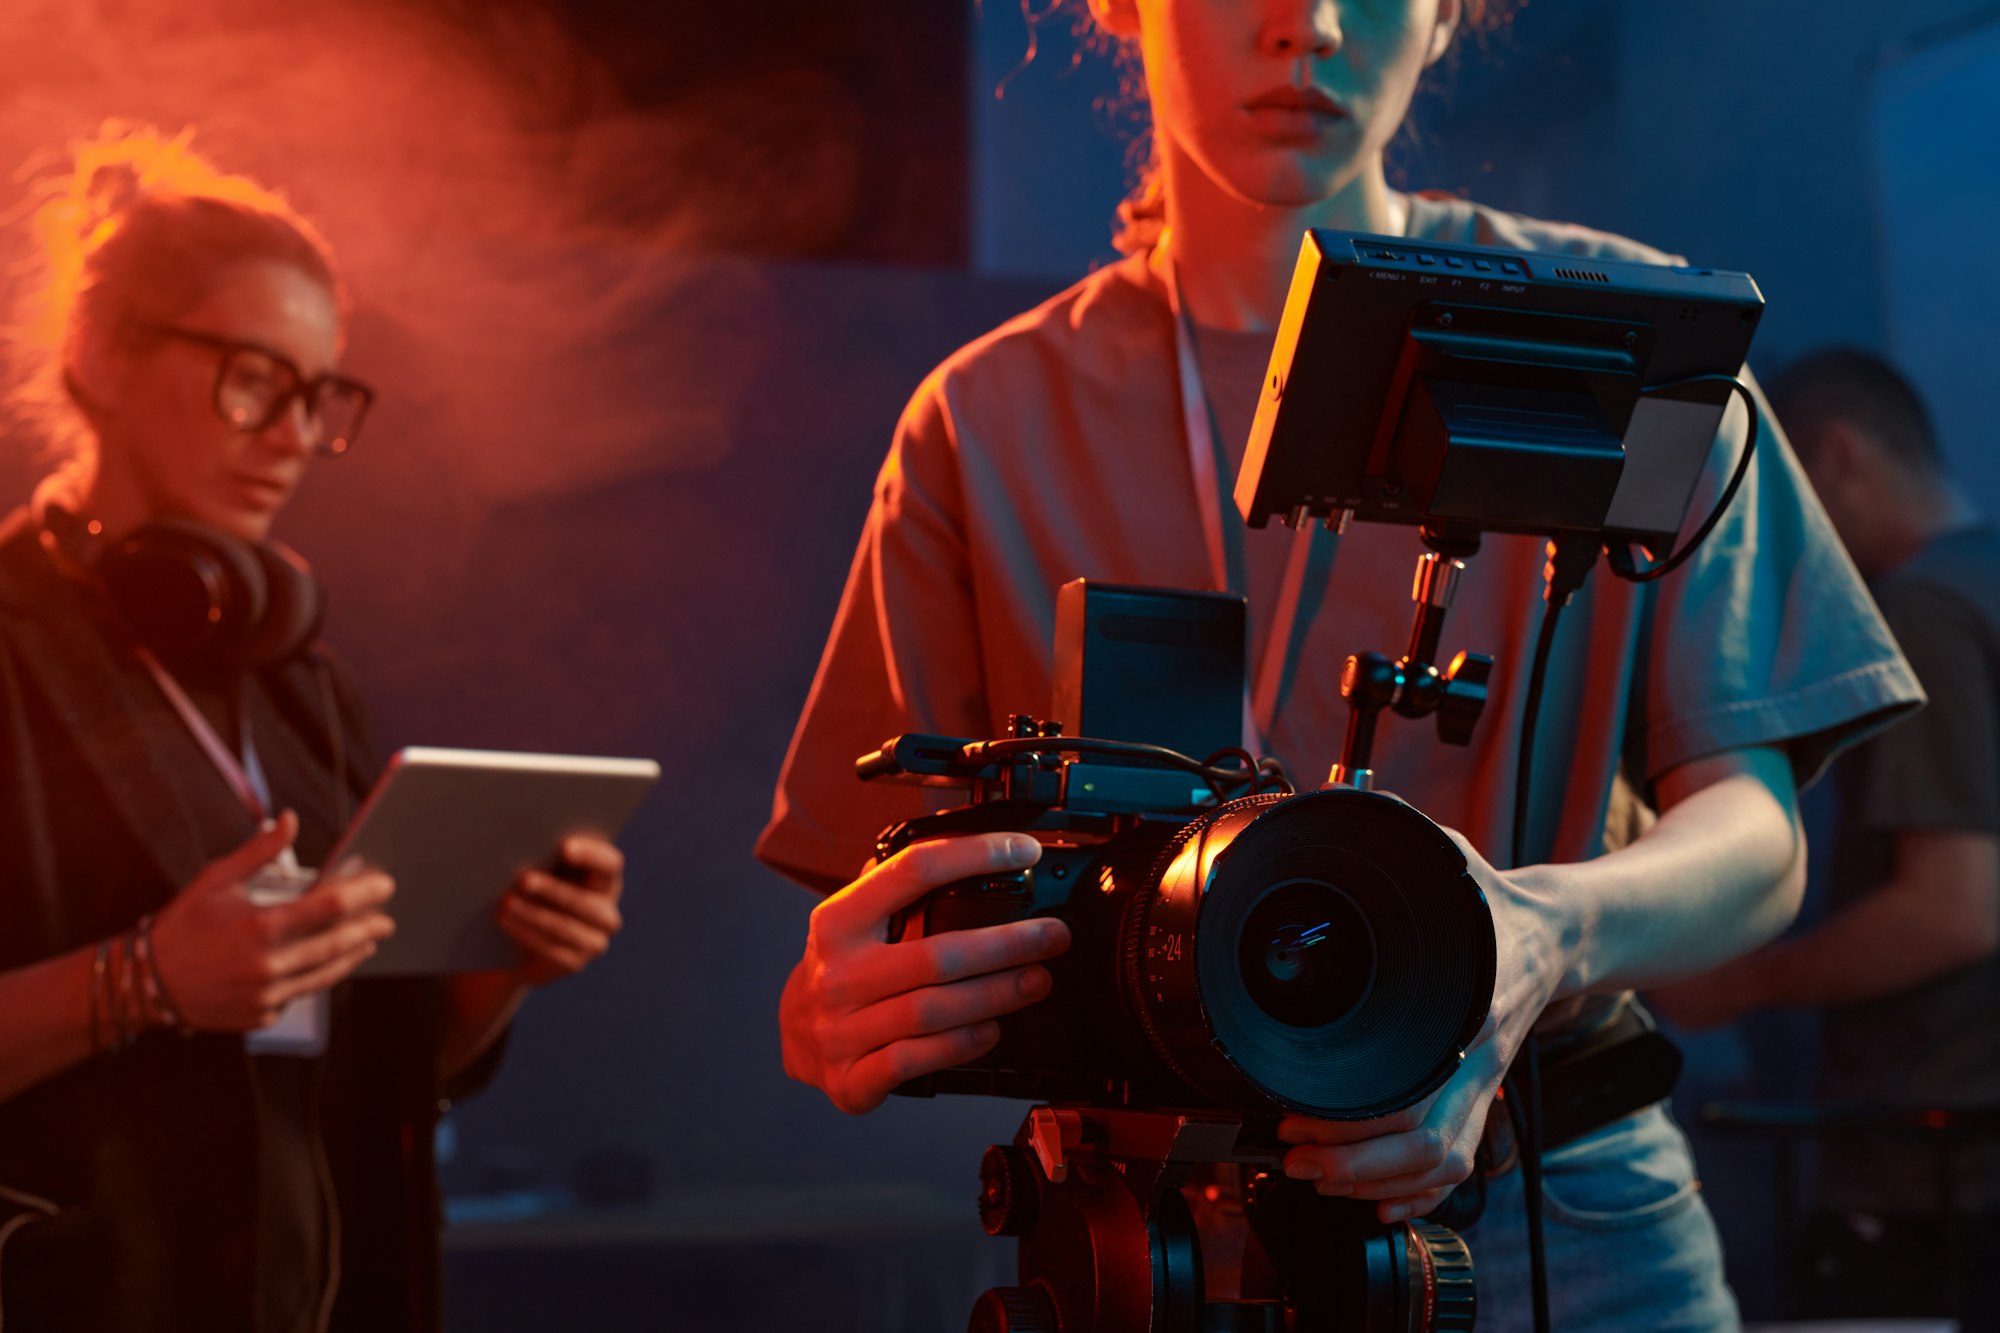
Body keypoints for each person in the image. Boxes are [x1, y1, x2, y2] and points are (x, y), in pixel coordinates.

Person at [759, 2, 1923, 1328]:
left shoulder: (1642, 356)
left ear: (1445, 17)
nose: (1306, 25)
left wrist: (1542, 929)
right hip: (1143, 1249)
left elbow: (1759, 835)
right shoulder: (985, 420)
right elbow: (880, 889)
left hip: (1554, 1217)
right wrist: (837, 1009)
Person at [0, 125, 627, 1333]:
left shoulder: (298, 681)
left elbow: (368, 1073)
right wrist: (141, 981)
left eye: (318, 393)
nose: (292, 431)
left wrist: (494, 976)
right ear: (100, 358)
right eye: (251, 377)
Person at [1651, 348, 2000, 1328]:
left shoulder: (1920, 615)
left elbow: (1952, 910)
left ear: (1836, 458)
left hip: (1924, 1178)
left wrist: (1726, 984)